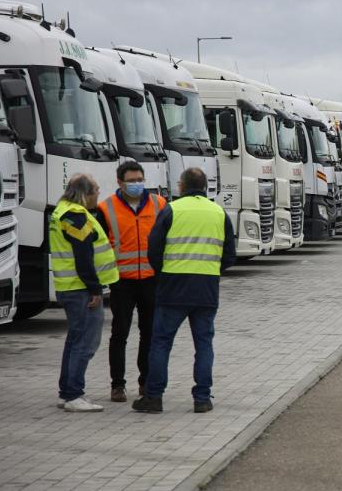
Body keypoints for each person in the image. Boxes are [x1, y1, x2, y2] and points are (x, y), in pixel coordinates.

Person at [132, 167, 235, 414]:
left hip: (173, 287)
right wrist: (211, 270)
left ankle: (153, 397)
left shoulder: (171, 209)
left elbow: (153, 248)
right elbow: (229, 255)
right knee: (204, 344)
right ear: (204, 186)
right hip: (207, 288)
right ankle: (202, 398)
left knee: (161, 342)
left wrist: (163, 272)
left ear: (182, 186)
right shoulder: (219, 212)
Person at [95, 161, 167, 403]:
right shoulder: (106, 208)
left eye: (140, 180)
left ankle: (146, 382)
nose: (136, 184)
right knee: (119, 334)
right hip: (121, 282)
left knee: (149, 333)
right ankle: (117, 385)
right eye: (131, 180)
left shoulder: (159, 204)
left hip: (150, 280)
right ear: (119, 182)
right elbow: (100, 247)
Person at [52, 174, 119, 412]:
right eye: (96, 192)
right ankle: (73, 395)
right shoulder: (76, 217)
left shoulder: (63, 210)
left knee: (74, 340)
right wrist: (95, 288)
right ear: (85, 194)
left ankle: (66, 392)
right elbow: (83, 256)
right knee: (85, 343)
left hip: (71, 287)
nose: (98, 196)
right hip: (80, 289)